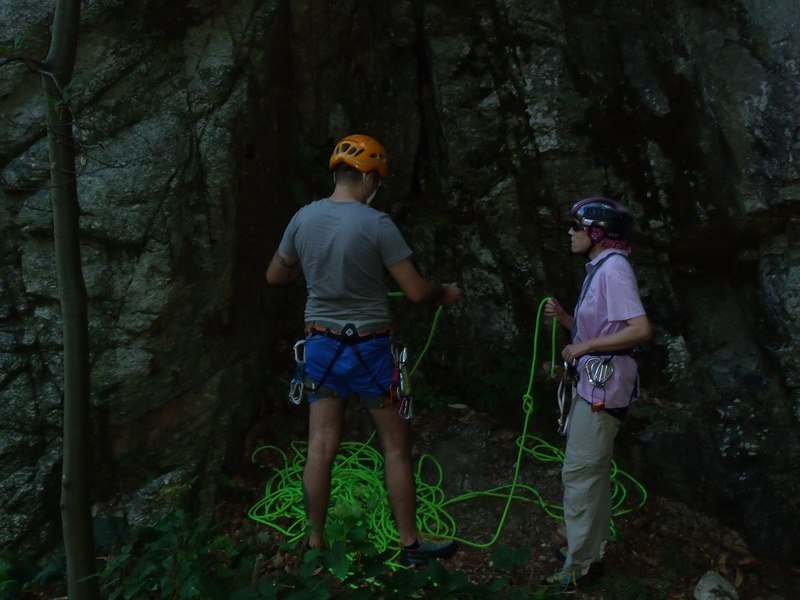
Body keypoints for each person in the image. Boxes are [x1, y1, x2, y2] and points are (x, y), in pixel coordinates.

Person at [265, 133, 461, 566]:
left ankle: (314, 544)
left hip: (320, 346)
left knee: (319, 446)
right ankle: (410, 545)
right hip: (370, 350)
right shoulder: (377, 224)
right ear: (368, 177)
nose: (377, 190)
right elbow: (414, 291)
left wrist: (315, 272)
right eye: (378, 181)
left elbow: (275, 277)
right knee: (394, 446)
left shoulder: (303, 219)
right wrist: (443, 292)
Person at [542, 197, 652, 590]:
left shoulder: (614, 270)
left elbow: (639, 329)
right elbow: (600, 330)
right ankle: (591, 549)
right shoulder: (601, 268)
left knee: (580, 472)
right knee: (593, 471)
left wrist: (584, 349)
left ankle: (579, 564)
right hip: (596, 382)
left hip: (604, 385)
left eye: (577, 227)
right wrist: (567, 320)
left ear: (597, 233)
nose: (570, 233)